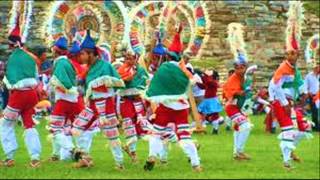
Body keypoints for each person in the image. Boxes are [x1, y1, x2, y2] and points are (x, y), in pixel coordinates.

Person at [143, 24, 202, 172]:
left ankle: (152, 155)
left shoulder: (163, 69)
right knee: (184, 135)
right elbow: (195, 81)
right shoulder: (185, 69)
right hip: (181, 107)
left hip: (165, 107)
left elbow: (154, 85)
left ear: (168, 56)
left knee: (156, 133)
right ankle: (196, 164)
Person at [71, 30, 125, 169]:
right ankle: (86, 157)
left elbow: (116, 83)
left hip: (105, 105)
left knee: (111, 134)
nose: (80, 57)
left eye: (82, 54)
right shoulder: (89, 68)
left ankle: (119, 163)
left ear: (90, 53)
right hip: (93, 104)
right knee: (77, 126)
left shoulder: (105, 66)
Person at [0, 19, 46, 167]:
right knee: (29, 124)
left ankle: (9, 157)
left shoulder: (14, 57)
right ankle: (35, 158)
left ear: (11, 44)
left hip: (18, 95)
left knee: (6, 124)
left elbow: (10, 80)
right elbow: (35, 77)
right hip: (31, 94)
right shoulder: (31, 58)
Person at [48, 36, 85, 161]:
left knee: (55, 128)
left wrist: (63, 88)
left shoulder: (61, 63)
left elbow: (61, 81)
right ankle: (58, 155)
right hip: (75, 99)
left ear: (55, 50)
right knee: (75, 127)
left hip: (64, 100)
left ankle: (72, 150)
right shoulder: (67, 62)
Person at [223, 23, 253, 161]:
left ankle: (236, 153)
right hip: (231, 107)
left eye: (242, 68)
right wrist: (238, 93)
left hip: (238, 106)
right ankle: (240, 151)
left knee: (238, 128)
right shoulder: (233, 78)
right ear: (235, 68)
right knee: (246, 126)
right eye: (238, 68)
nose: (240, 70)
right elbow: (228, 91)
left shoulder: (244, 77)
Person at [117, 50, 149, 163]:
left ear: (136, 58)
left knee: (141, 127)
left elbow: (145, 82)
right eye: (127, 58)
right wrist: (129, 77)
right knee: (129, 126)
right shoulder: (121, 69)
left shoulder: (140, 70)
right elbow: (120, 82)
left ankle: (130, 147)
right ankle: (133, 154)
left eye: (131, 58)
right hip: (126, 102)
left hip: (138, 101)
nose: (129, 60)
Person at [197, 70, 224, 134]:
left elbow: (208, 81)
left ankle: (215, 129)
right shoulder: (210, 82)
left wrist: (205, 75)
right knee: (201, 112)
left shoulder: (214, 82)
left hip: (212, 100)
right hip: (207, 100)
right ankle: (202, 126)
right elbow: (203, 86)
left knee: (215, 115)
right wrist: (197, 81)